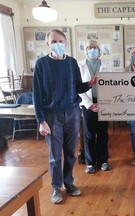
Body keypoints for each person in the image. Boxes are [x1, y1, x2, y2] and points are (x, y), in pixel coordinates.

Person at [33, 29, 97, 204]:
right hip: (52, 115)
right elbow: (36, 95)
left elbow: (77, 87)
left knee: (71, 153)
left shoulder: (71, 63)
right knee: (55, 155)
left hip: (73, 113)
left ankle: (69, 183)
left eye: (61, 41)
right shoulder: (41, 64)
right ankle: (56, 187)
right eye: (54, 41)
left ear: (66, 43)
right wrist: (41, 120)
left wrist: (89, 84)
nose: (58, 44)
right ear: (47, 44)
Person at [78, 39, 110, 174]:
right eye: (89, 47)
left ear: (99, 50)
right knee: (89, 134)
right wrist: (89, 105)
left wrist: (104, 103)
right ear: (85, 50)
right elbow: (78, 88)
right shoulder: (80, 66)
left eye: (95, 47)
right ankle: (90, 162)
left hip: (104, 104)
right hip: (87, 105)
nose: (92, 49)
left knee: (103, 134)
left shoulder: (106, 65)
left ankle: (103, 161)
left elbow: (111, 86)